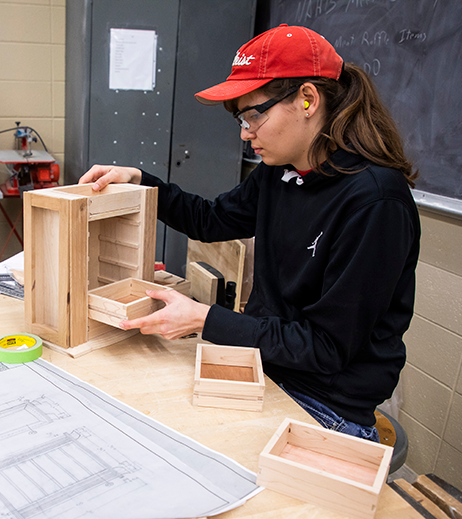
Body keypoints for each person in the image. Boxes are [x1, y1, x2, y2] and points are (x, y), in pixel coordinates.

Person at [78, 24, 420, 442]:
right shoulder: (279, 174)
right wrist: (140, 181)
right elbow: (210, 219)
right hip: (265, 366)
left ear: (308, 99)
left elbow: (325, 349)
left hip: (323, 404)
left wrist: (204, 318)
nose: (245, 132)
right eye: (242, 118)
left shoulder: (375, 203)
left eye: (255, 114)